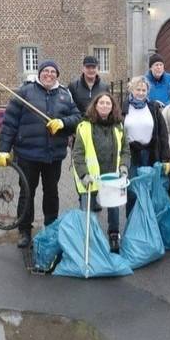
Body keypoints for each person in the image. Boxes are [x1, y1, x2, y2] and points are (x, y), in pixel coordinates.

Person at [0, 60, 80, 248]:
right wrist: (3, 149)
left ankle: (50, 228)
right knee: (27, 193)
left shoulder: (65, 94)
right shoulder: (25, 92)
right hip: (28, 154)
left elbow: (77, 117)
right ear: (40, 73)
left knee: (51, 193)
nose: (49, 74)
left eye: (53, 72)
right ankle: (24, 231)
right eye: (46, 71)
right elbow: (9, 123)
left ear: (57, 75)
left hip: (53, 155)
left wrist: (63, 123)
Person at [72, 92, 130, 252]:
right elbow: (78, 154)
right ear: (95, 106)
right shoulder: (84, 126)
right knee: (88, 212)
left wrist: (124, 166)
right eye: (101, 103)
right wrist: (83, 174)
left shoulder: (119, 126)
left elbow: (125, 150)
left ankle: (114, 235)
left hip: (112, 177)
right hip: (90, 178)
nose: (105, 105)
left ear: (113, 107)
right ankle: (89, 239)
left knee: (113, 208)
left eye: (108, 103)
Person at [122, 76, 170, 215]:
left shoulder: (153, 107)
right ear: (131, 90)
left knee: (149, 189)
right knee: (132, 191)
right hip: (131, 154)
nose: (141, 93)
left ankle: (147, 220)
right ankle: (132, 221)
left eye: (144, 90)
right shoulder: (123, 108)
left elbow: (163, 133)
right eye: (138, 89)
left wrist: (165, 158)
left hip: (150, 153)